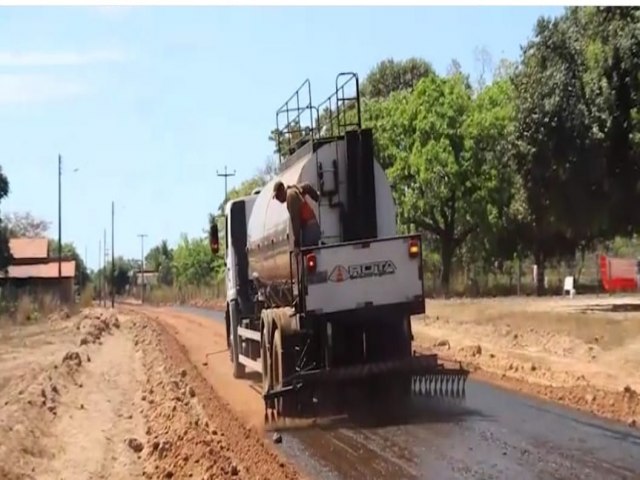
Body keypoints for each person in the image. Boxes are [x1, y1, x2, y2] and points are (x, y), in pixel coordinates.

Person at [273, 180, 321, 249]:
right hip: (313, 227)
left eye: (277, 196)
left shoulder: (290, 197)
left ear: (282, 190)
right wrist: (316, 197)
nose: (278, 199)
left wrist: (296, 244)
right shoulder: (293, 190)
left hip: (308, 229)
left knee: (307, 254)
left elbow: (295, 221)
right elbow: (307, 186)